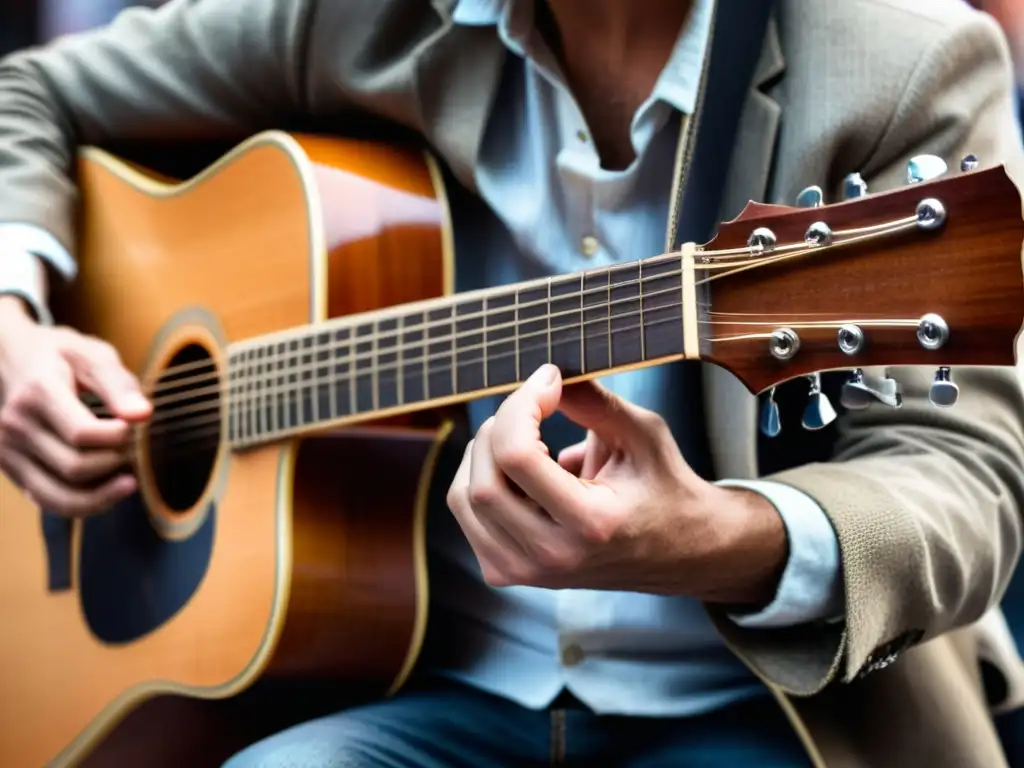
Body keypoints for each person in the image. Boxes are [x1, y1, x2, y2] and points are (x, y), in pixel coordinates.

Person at [1, 0, 1023, 765]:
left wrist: (716, 539)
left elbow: (961, 482)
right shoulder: (366, 16)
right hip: (432, 689)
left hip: (769, 714)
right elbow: (30, 91)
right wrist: (15, 324)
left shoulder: (899, 53)